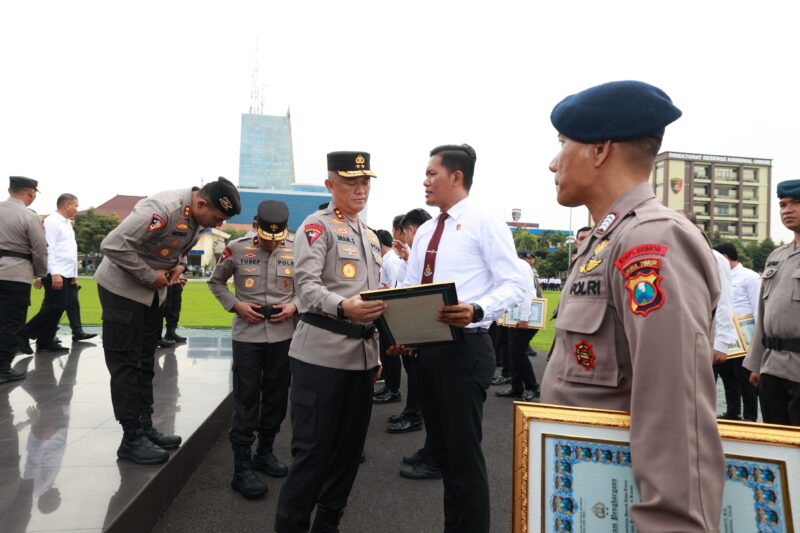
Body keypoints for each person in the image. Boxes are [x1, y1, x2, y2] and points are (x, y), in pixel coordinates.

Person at [541, 80, 724, 531]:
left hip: (614, 500)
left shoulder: (650, 240)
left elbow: (674, 407)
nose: (552, 163)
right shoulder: (608, 239)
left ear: (600, 150)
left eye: (563, 144)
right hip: (584, 492)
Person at [395, 144, 527, 532]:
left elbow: (516, 284)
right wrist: (400, 330)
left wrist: (477, 308)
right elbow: (409, 287)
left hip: (464, 350)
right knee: (445, 456)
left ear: (457, 177)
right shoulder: (426, 232)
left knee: (463, 460)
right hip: (425, 350)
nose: (425, 180)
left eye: (432, 173)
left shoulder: (485, 222)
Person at [274, 151, 386, 533]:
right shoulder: (315, 226)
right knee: (312, 453)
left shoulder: (370, 236)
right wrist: (345, 309)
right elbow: (305, 288)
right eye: (351, 181)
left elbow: (372, 296)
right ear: (330, 185)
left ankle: (328, 523)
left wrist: (377, 348)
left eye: (365, 181)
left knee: (349, 454)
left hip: (361, 358)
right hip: (320, 355)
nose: (360, 188)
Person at [96, 177, 240, 465]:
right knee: (126, 363)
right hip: (122, 290)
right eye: (218, 218)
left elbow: (178, 249)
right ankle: (131, 437)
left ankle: (145, 426)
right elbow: (112, 245)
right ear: (201, 203)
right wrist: (151, 276)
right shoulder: (161, 209)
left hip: (152, 295)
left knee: (144, 361)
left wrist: (179, 265)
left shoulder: (198, 216)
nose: (219, 226)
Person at [209, 200, 297, 499]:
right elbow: (216, 282)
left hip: (284, 333)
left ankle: (265, 452)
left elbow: (305, 287)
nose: (273, 246)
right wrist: (237, 305)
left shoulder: (297, 248)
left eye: (278, 240)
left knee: (275, 396)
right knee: (247, 398)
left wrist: (294, 305)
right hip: (247, 334)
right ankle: (241, 468)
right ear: (257, 226)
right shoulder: (236, 248)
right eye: (267, 240)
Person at [744, 179, 800, 426]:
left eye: (796, 203)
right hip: (773, 367)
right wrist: (756, 363)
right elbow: (763, 314)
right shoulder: (777, 257)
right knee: (777, 443)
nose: (787, 210)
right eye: (783, 204)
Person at [19, 194, 82, 355]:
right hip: (55, 272)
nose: (77, 209)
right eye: (76, 205)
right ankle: (24, 333)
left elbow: (69, 250)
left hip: (65, 273)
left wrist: (73, 273)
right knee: (55, 306)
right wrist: (55, 273)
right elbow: (48, 248)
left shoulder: (66, 223)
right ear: (67, 205)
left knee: (57, 307)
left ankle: (45, 341)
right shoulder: (53, 221)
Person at [0, 177, 47, 384]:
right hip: (15, 275)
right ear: (30, 193)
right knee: (11, 322)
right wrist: (40, 273)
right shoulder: (28, 216)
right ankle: (2, 367)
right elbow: (39, 248)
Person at [714, 242, 760, 421]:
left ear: (725, 257)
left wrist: (757, 339)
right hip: (726, 337)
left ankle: (750, 417)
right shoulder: (717, 277)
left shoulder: (750, 277)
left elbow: (757, 308)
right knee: (727, 378)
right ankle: (733, 413)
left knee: (746, 379)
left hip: (746, 338)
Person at [495, 252, 541, 400]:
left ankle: (532, 387)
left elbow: (527, 293)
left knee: (518, 352)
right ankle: (517, 388)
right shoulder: (505, 266)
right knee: (512, 351)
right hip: (512, 316)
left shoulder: (520, 265)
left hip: (525, 316)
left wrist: (524, 318)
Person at [373, 228, 404, 407]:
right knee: (386, 351)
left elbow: (395, 288)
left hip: (389, 312)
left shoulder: (391, 261)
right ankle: (388, 387)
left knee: (391, 352)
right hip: (383, 311)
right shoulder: (385, 260)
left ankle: (393, 390)